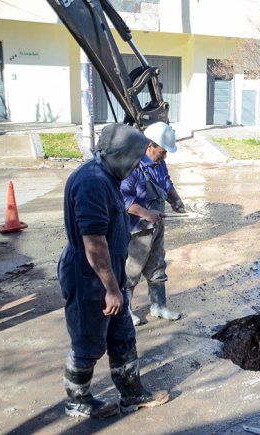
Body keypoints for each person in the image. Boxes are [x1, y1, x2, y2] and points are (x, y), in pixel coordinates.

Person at [58, 124, 170, 419]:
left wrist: (116, 284)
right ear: (120, 154)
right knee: (88, 342)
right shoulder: (92, 182)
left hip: (109, 274)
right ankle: (77, 401)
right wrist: (110, 288)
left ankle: (132, 394)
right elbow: (93, 243)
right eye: (135, 158)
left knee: (123, 334)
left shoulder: (107, 176)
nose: (137, 164)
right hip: (90, 277)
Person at [121, 122, 184, 325]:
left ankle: (159, 306)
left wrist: (175, 200)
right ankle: (125, 311)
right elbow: (123, 199)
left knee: (158, 265)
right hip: (137, 229)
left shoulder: (159, 163)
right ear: (150, 145)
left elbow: (166, 183)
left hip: (156, 227)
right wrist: (146, 213)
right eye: (162, 152)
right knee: (132, 269)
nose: (164, 156)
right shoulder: (133, 166)